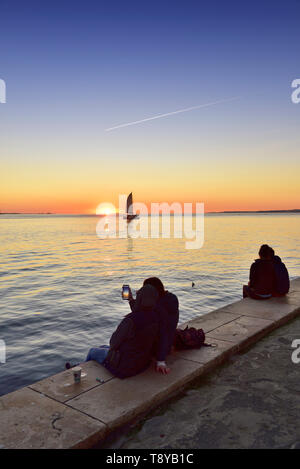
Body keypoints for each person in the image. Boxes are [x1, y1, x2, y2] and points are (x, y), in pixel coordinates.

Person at [85, 284, 160, 379]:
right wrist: (131, 300)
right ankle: (79, 365)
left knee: (92, 351)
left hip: (124, 367)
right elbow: (142, 314)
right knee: (102, 347)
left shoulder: (130, 321)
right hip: (142, 364)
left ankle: (80, 370)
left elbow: (113, 344)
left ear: (140, 299)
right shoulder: (155, 317)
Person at [129, 277, 179, 374]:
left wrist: (161, 361)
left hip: (154, 349)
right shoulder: (171, 298)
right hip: (168, 344)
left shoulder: (156, 308)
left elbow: (162, 332)